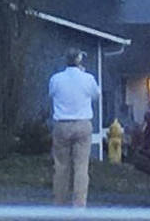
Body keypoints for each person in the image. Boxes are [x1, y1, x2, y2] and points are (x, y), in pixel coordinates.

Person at [49, 47, 100, 207]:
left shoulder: (56, 79)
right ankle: (79, 205)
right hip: (82, 123)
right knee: (81, 166)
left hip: (62, 124)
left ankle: (60, 203)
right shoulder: (88, 78)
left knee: (61, 166)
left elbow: (51, 94)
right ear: (79, 59)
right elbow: (96, 96)